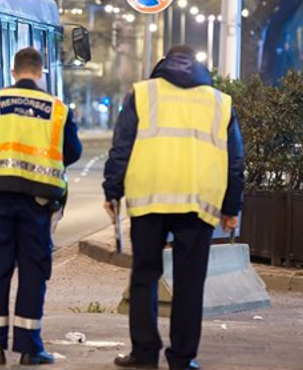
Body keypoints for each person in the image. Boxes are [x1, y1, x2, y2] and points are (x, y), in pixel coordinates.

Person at [102, 45, 245, 370]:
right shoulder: (219, 102)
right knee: (190, 283)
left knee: (144, 276)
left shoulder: (143, 94)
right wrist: (231, 207)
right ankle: (182, 358)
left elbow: (122, 145)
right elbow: (235, 160)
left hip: (149, 198)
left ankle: (144, 353)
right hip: (199, 204)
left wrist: (113, 191)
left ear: (163, 64)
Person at [0, 47, 82, 365]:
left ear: (13, 72)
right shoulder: (57, 109)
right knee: (32, 272)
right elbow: (72, 152)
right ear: (40, 73)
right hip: (37, 203)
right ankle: (30, 349)